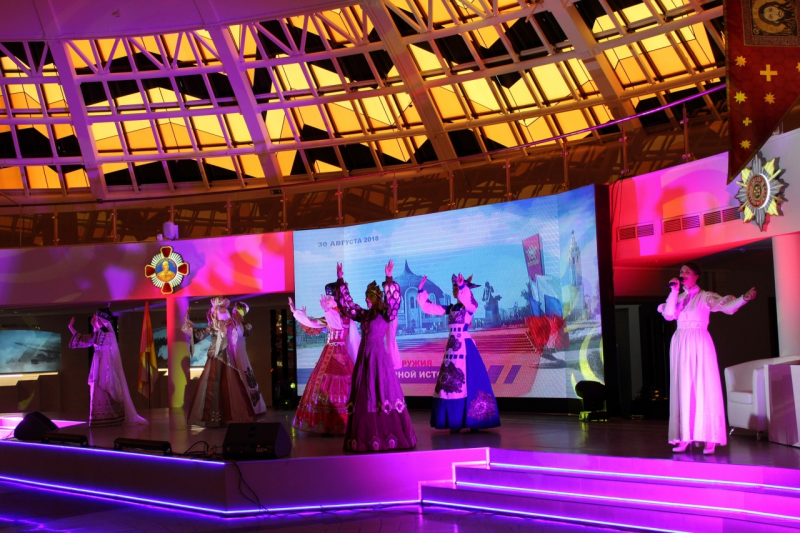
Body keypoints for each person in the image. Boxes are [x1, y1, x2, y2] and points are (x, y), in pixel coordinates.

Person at [659, 262, 756, 455]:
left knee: (704, 386)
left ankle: (710, 438)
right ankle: (684, 436)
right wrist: (674, 291)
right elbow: (669, 315)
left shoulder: (705, 296)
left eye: (687, 271)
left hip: (700, 340)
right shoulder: (678, 297)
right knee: (684, 388)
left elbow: (727, 307)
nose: (683, 274)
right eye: (681, 271)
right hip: (680, 342)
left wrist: (743, 299)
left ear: (696, 276)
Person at [333, 260, 416, 452]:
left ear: (377, 298)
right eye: (366, 296)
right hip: (365, 360)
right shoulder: (364, 315)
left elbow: (394, 302)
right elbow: (348, 306)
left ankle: (387, 436)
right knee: (364, 394)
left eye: (370, 296)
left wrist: (389, 277)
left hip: (378, 359)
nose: (367, 300)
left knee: (381, 392)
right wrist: (340, 280)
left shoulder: (386, 314)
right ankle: (364, 437)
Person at [417, 273, 500, 433]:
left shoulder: (470, 308)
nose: (455, 291)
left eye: (457, 288)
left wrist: (463, 286)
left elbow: (469, 301)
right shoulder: (452, 308)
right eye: (454, 288)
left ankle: (473, 420)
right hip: (452, 347)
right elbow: (430, 307)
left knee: (469, 381)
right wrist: (421, 291)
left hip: (465, 347)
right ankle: (455, 421)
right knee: (451, 383)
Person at [289, 283, 360, 434]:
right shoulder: (329, 315)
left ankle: (344, 421)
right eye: (326, 297)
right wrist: (297, 313)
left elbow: (337, 325)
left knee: (341, 382)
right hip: (329, 350)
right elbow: (313, 323)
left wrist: (327, 311)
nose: (327, 299)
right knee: (321, 381)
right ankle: (323, 422)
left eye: (330, 297)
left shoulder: (344, 316)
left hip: (340, 353)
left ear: (337, 299)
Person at [183, 297, 256, 427]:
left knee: (224, 384)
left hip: (225, 357)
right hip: (215, 356)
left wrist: (222, 325)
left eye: (216, 311)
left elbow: (232, 335)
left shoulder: (228, 324)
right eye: (214, 311)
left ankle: (224, 416)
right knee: (214, 385)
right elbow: (197, 334)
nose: (214, 313)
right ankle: (215, 417)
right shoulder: (214, 325)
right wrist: (187, 320)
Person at [68, 308, 147, 427]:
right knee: (96, 388)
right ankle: (99, 417)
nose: (96, 320)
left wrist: (95, 325)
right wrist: (71, 327)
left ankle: (111, 416)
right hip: (97, 364)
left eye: (98, 319)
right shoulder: (98, 333)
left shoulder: (109, 334)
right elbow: (84, 339)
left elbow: (101, 340)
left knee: (106, 387)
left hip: (106, 366)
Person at [229, 301, 266, 417]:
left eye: (236, 311)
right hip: (230, 353)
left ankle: (251, 408)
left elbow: (242, 334)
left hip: (240, 354)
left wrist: (238, 322)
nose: (234, 312)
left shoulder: (246, 325)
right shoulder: (229, 324)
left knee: (244, 376)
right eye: (234, 310)